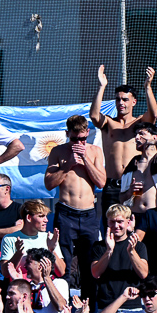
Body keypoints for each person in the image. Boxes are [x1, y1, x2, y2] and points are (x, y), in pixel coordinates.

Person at [44, 113, 107, 277]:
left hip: (88, 214)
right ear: (67, 134)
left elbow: (101, 182)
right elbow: (49, 184)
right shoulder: (58, 152)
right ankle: (64, 292)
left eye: (82, 139)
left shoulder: (95, 151)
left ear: (87, 133)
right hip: (66, 213)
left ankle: (88, 294)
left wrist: (85, 159)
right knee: (64, 263)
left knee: (90, 263)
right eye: (74, 139)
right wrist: (67, 166)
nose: (79, 143)